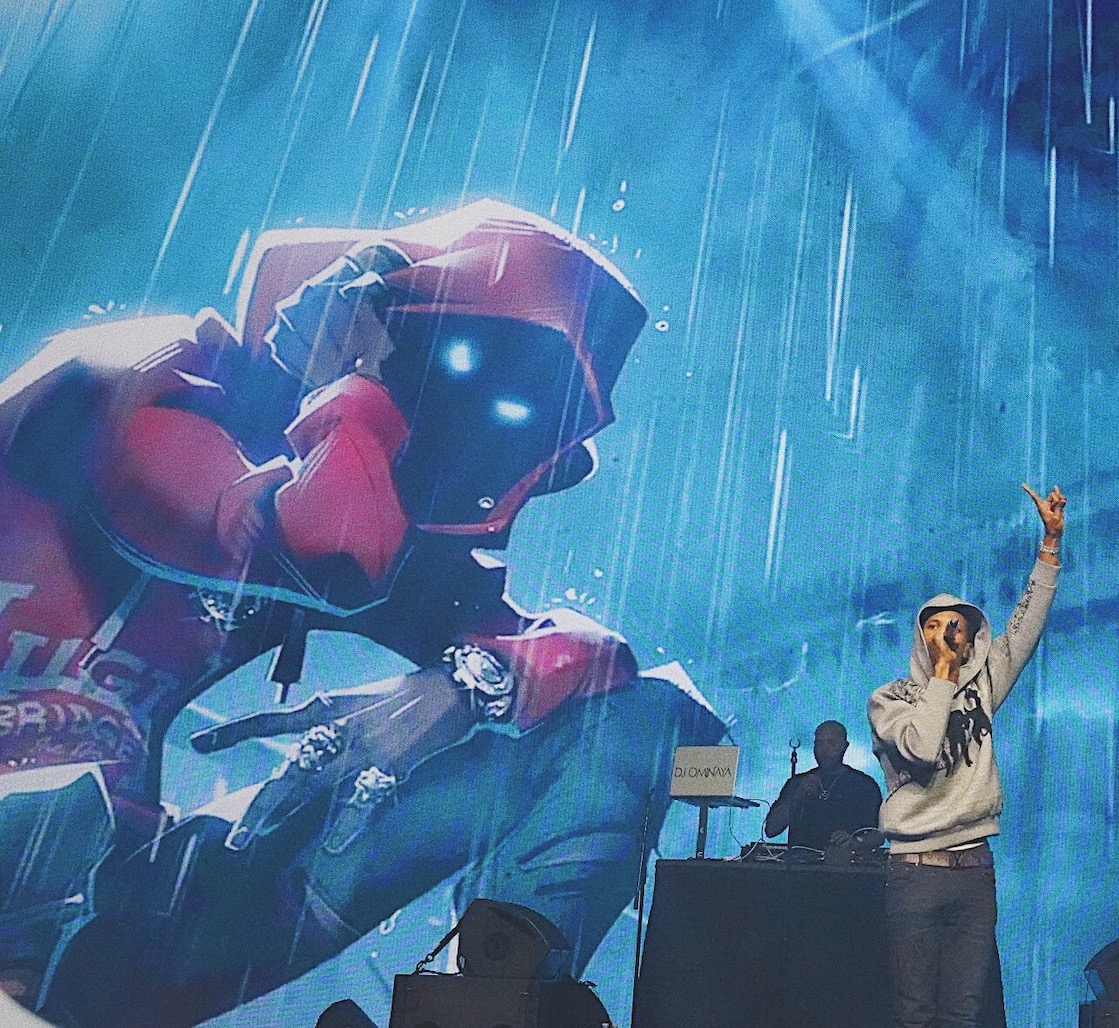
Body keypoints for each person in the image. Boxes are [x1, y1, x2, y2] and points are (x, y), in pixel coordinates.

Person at [0, 200, 724, 1025]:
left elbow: (614, 679)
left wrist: (466, 685)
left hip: (112, 918)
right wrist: (354, 400)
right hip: (39, 856)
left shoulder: (395, 520)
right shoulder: (125, 388)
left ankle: (492, 1005)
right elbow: (278, 522)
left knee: (651, 721)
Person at [868, 482, 1065, 1028]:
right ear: (918, 636)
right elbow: (923, 749)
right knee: (913, 1014)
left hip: (975, 870)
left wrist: (1049, 544)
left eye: (954, 625)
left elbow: (1025, 624)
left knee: (963, 1014)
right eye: (932, 625)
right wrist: (942, 677)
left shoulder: (985, 682)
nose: (944, 633)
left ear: (972, 635)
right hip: (914, 871)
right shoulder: (889, 699)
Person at [763, 720, 882, 853]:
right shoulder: (797, 783)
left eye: (831, 743)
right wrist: (797, 797)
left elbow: (879, 835)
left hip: (845, 863)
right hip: (800, 863)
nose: (824, 749)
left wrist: (855, 841)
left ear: (845, 746)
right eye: (819, 743)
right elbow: (771, 829)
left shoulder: (864, 785)